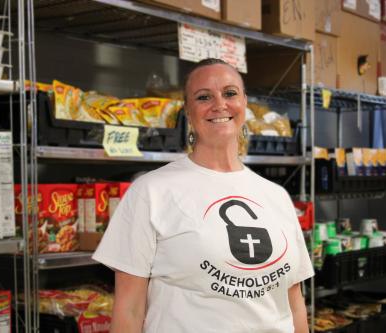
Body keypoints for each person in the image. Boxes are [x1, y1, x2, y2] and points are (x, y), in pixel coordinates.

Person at [92, 58, 314, 333]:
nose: (219, 104)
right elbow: (129, 309)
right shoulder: (151, 192)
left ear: (244, 102)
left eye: (230, 93)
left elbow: (293, 303)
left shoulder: (276, 197)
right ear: (187, 110)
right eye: (204, 96)